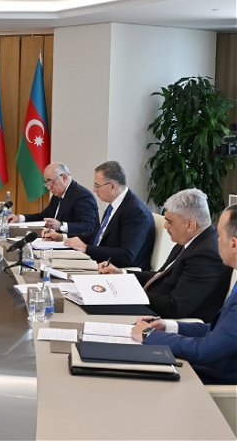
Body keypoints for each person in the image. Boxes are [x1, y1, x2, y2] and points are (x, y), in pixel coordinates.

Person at [131, 204, 237, 385]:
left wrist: (150, 335)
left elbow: (203, 351)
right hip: (203, 367)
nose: (216, 240)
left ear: (234, 244)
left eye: (219, 235)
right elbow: (216, 331)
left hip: (209, 379)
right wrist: (168, 326)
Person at [99, 189, 231, 322]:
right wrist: (122, 274)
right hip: (153, 307)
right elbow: (161, 276)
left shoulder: (207, 255)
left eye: (170, 221)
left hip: (169, 322)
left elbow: (175, 307)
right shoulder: (190, 240)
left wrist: (129, 292)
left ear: (190, 225)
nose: (166, 226)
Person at [62, 161, 155, 270]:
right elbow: (99, 236)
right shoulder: (115, 205)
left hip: (117, 271)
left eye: (97, 185)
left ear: (112, 186)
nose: (94, 190)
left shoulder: (135, 211)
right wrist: (63, 237)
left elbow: (126, 255)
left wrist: (85, 248)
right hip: (99, 262)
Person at [8, 162, 99, 239]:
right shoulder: (58, 195)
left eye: (51, 181)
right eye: (46, 183)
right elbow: (44, 216)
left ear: (64, 178)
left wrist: (60, 225)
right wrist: (20, 218)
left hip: (77, 247)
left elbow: (88, 227)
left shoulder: (82, 195)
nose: (49, 187)